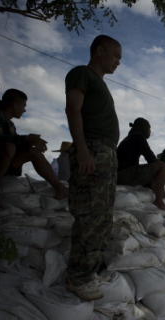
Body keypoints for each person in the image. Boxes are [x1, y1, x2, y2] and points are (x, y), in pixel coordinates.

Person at [64, 35, 121, 301]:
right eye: (115, 56)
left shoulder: (102, 84)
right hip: (93, 150)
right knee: (90, 215)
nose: (118, 62)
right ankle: (78, 277)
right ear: (100, 51)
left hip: (107, 153)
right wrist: (84, 150)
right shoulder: (82, 74)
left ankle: (90, 271)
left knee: (103, 217)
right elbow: (73, 111)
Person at [0, 89, 68, 200]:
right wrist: (26, 138)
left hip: (7, 163)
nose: (24, 110)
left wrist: (30, 142)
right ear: (15, 104)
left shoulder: (10, 124)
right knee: (9, 147)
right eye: (23, 106)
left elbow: (16, 142)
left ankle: (60, 188)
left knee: (33, 152)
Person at [117, 117, 165, 211]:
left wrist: (151, 185)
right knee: (162, 167)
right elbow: (151, 159)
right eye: (149, 129)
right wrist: (160, 189)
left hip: (120, 174)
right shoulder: (138, 136)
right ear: (144, 128)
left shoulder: (130, 137)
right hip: (124, 174)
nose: (150, 131)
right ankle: (159, 201)